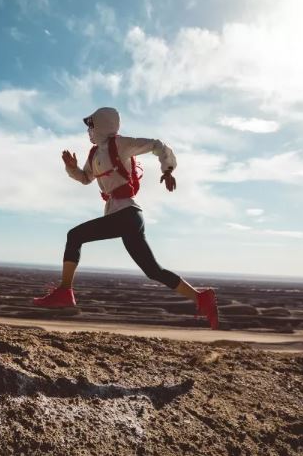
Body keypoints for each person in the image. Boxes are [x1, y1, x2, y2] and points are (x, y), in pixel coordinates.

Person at [32, 106, 219, 330]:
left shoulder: (120, 144)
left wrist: (168, 170)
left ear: (102, 125)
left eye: (92, 125)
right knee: (153, 271)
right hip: (125, 217)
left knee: (75, 235)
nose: (89, 130)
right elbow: (85, 179)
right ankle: (201, 298)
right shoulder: (94, 155)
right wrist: (71, 168)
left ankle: (64, 292)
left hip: (127, 215)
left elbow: (157, 145)